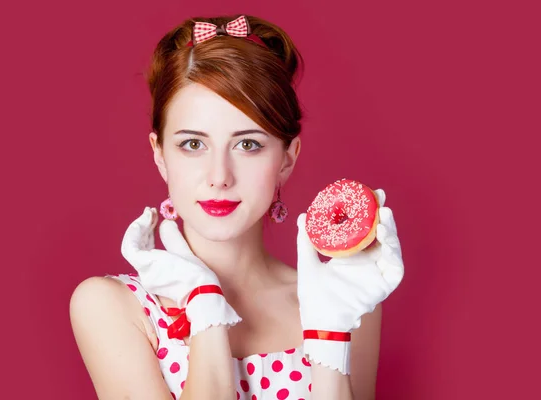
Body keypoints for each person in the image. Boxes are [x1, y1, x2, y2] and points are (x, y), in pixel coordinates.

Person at [69, 14, 404, 400]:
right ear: (160, 155)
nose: (219, 176)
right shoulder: (112, 307)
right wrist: (205, 306)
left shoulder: (344, 300)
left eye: (248, 144)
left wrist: (329, 336)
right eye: (193, 144)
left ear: (287, 159)